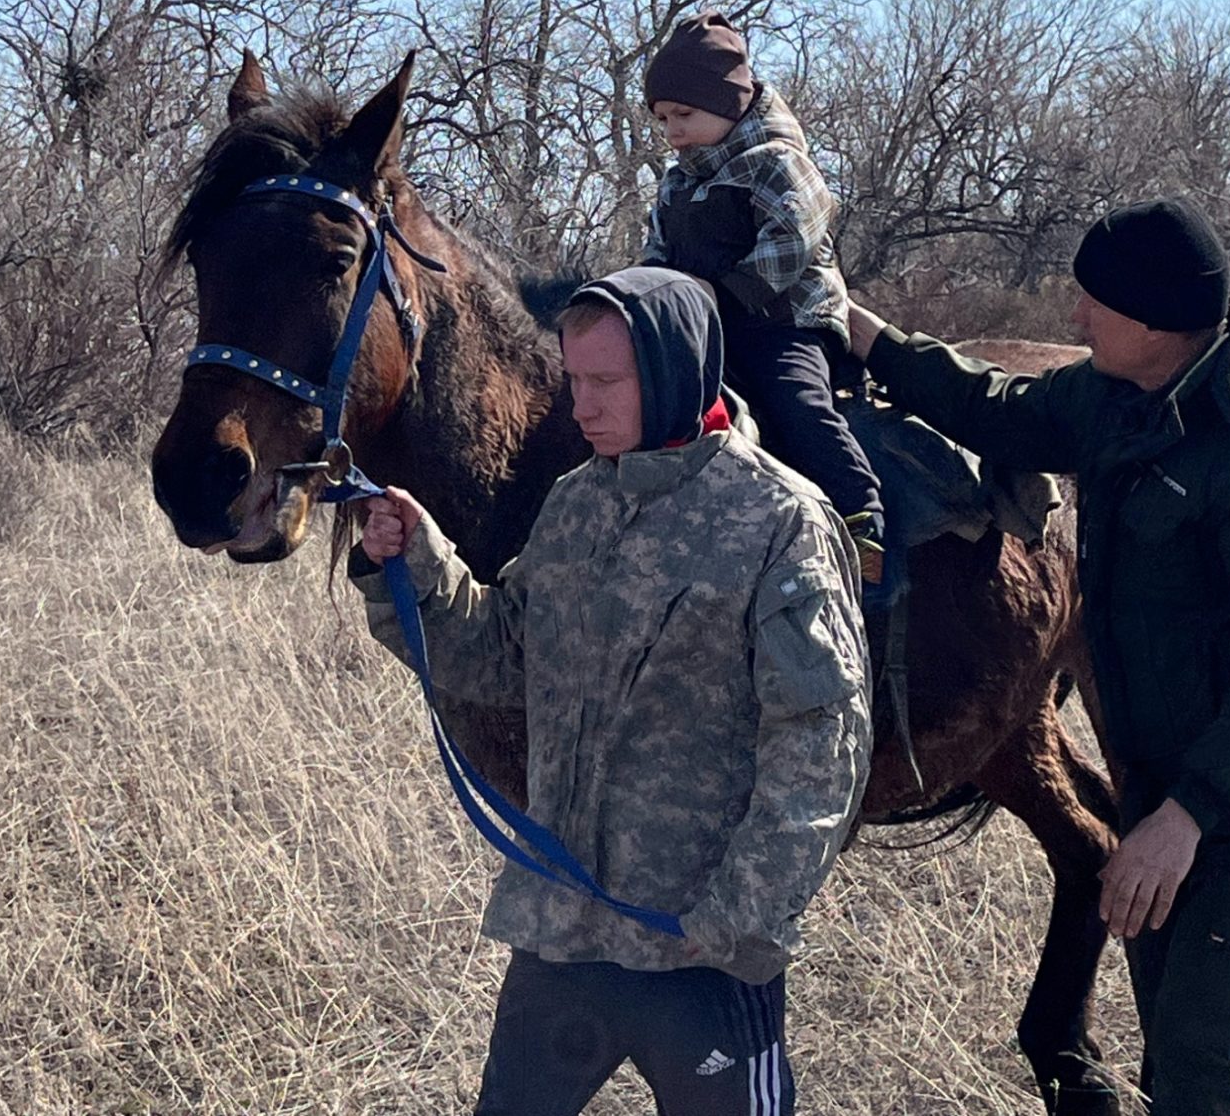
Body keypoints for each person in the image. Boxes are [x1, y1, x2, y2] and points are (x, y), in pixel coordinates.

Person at [353, 266, 871, 1116]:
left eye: (606, 381)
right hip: (563, 936)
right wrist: (417, 561)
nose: (581, 404)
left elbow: (821, 746)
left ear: (672, 371)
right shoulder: (575, 503)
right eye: (573, 379)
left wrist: (740, 917)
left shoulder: (779, 519)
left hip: (700, 957)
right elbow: (500, 656)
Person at [846, 196, 1230, 1116]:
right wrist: (871, 337)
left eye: (1094, 302)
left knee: (1197, 1078)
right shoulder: (1118, 393)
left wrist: (1184, 816)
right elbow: (993, 407)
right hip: (1169, 787)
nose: (1074, 318)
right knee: (1191, 1055)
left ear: (1157, 322)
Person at [641, 10, 887, 580]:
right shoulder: (676, 182)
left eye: (684, 113)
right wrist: (646, 298)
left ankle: (859, 513)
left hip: (786, 322)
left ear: (728, 106)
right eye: (661, 118)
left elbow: (794, 239)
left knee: (793, 400)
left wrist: (723, 291)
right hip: (708, 325)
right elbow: (656, 252)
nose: (672, 130)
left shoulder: (777, 161)